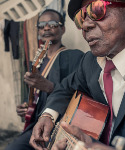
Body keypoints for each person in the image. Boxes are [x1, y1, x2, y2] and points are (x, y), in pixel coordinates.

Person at [29, 0, 125, 150]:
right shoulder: (89, 62)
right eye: (81, 18)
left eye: (98, 10)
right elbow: (65, 88)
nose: (85, 26)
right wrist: (48, 115)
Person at [5, 9, 84, 150]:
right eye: (41, 25)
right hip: (35, 125)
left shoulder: (75, 57)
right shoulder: (36, 63)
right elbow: (34, 96)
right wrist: (26, 107)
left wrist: (49, 87)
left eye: (52, 24)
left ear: (63, 29)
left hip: (62, 126)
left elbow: (80, 96)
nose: (46, 28)